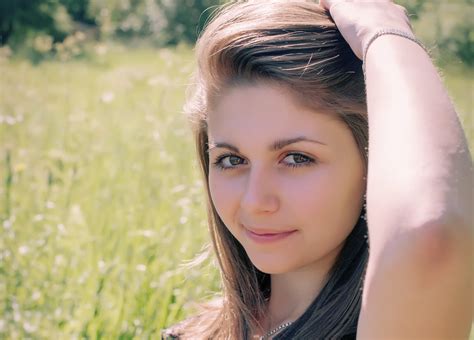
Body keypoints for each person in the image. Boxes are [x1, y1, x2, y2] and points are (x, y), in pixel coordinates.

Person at [162, 0, 473, 338]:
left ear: (374, 162)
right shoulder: (196, 332)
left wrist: (384, 32)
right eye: (232, 160)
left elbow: (430, 232)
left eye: (297, 158)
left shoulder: (391, 324)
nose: (254, 201)